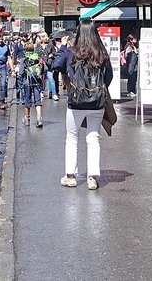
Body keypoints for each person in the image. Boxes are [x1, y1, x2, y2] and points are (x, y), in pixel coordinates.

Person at [57, 21, 112, 190]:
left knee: (72, 138)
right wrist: (96, 91)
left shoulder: (71, 52)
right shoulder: (101, 53)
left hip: (76, 102)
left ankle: (71, 176)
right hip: (97, 103)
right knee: (93, 138)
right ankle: (92, 178)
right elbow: (109, 77)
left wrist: (63, 47)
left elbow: (57, 65)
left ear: (79, 33)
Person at [17, 42, 46, 128]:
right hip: (37, 81)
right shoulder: (37, 57)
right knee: (37, 100)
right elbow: (44, 69)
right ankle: (39, 119)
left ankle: (27, 119)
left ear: (25, 50)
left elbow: (21, 72)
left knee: (27, 99)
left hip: (27, 81)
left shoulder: (24, 59)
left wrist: (20, 82)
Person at [35, 33, 57, 103]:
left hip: (48, 64)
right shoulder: (38, 45)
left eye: (40, 37)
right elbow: (35, 54)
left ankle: (54, 94)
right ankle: (41, 92)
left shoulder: (50, 45)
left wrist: (52, 55)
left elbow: (55, 53)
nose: (39, 39)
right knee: (41, 79)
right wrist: (38, 59)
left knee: (51, 79)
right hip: (40, 64)